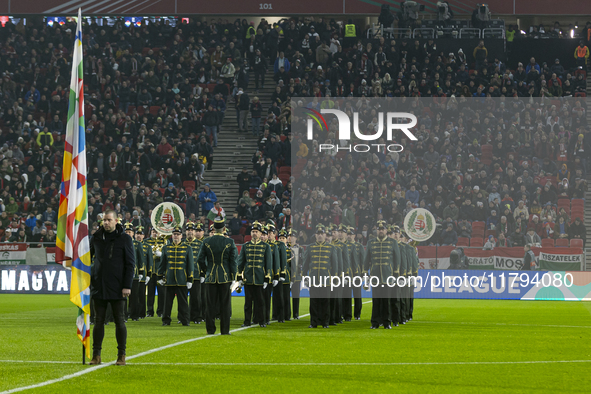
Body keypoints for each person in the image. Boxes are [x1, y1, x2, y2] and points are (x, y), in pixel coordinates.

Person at [89, 210, 135, 366]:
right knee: (98, 321)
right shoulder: (96, 238)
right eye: (104, 220)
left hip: (118, 287)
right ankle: (96, 355)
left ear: (117, 220)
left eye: (109, 220)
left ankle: (121, 355)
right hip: (99, 286)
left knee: (119, 322)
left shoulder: (125, 239)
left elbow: (130, 264)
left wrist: (127, 286)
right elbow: (87, 258)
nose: (106, 223)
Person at [197, 216, 238, 335]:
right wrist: (233, 276)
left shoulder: (206, 241)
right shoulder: (229, 242)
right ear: (224, 228)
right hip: (225, 278)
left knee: (210, 306)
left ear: (213, 228)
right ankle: (225, 331)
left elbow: (200, 260)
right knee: (225, 306)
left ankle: (210, 330)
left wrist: (206, 271)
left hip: (210, 277)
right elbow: (233, 261)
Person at [364, 220, 399, 329]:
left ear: (386, 230)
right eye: (379, 229)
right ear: (376, 230)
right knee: (376, 301)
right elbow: (366, 261)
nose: (381, 231)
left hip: (387, 277)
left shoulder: (392, 242)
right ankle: (375, 322)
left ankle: (387, 322)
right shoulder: (371, 243)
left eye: (382, 229)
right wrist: (366, 276)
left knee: (386, 302)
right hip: (375, 277)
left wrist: (396, 275)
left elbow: (397, 259)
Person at [237, 221, 272, 328]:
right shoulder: (246, 246)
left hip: (260, 278)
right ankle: (247, 321)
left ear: (261, 233)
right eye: (253, 231)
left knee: (260, 302)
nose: (254, 233)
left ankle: (261, 321)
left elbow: (268, 263)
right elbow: (241, 262)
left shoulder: (265, 246)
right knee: (248, 302)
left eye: (256, 231)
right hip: (248, 278)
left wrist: (267, 278)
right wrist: (239, 276)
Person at [302, 224, 337, 328]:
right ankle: (314, 322)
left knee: (325, 302)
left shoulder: (331, 248)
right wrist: (304, 276)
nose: (320, 235)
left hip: (326, 280)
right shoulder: (309, 248)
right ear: (315, 235)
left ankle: (325, 322)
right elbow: (305, 264)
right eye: (318, 234)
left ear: (325, 235)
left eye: (322, 233)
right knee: (313, 302)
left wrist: (335, 278)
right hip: (313, 280)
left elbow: (334, 265)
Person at [158, 225, 194, 326]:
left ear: (181, 236)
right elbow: (162, 264)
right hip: (169, 279)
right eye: (174, 234)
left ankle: (185, 320)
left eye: (178, 234)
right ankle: (166, 320)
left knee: (183, 303)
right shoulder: (166, 248)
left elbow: (190, 265)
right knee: (167, 303)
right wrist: (160, 276)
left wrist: (190, 279)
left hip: (182, 279)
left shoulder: (187, 248)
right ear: (172, 235)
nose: (176, 236)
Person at [124, 223, 146, 322]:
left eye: (129, 232)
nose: (128, 233)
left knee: (134, 296)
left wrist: (141, 272)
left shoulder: (137, 244)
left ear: (133, 233)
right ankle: (124, 315)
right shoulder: (121, 242)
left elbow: (141, 259)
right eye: (126, 232)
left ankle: (134, 315)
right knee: (123, 297)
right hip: (123, 273)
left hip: (135, 273)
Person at [185, 221, 205, 324]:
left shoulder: (200, 244)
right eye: (188, 230)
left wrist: (202, 273)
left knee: (196, 298)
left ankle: (197, 317)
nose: (190, 232)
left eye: (192, 230)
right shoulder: (182, 243)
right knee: (183, 299)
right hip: (183, 275)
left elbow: (203, 259)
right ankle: (184, 317)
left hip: (196, 274)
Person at [145, 229, 166, 317]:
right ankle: (150, 311)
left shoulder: (164, 241)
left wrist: (161, 254)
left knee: (161, 293)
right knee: (150, 293)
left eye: (156, 232)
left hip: (160, 272)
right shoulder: (146, 242)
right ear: (151, 233)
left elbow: (166, 255)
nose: (155, 233)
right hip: (150, 272)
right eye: (153, 232)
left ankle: (160, 311)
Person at [135, 226, 153, 319]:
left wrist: (149, 274)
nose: (139, 236)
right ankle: (131, 312)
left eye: (141, 234)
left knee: (141, 295)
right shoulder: (131, 244)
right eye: (137, 234)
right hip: (133, 274)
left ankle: (141, 313)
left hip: (143, 274)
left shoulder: (147, 246)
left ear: (144, 236)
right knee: (133, 295)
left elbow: (150, 261)